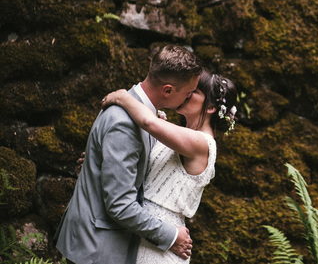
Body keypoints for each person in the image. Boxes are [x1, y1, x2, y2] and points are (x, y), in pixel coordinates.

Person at [55, 45, 203, 264]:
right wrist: (171, 236)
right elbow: (120, 204)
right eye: (188, 93)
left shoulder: (137, 107)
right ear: (168, 90)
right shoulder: (124, 123)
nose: (189, 97)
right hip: (98, 247)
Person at [101, 71, 237, 263]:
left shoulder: (202, 143)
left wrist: (122, 97)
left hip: (163, 242)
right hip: (139, 227)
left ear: (211, 107)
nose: (187, 93)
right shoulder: (180, 135)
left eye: (195, 91)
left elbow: (148, 122)